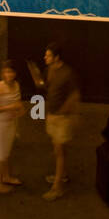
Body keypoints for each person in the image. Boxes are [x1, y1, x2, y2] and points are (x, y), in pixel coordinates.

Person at [38, 42, 80, 201]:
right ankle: (61, 175)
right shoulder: (49, 70)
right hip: (52, 114)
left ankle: (57, 187)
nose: (45, 57)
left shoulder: (68, 73)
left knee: (59, 150)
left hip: (62, 118)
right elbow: (48, 89)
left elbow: (75, 96)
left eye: (48, 55)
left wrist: (64, 112)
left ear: (57, 57)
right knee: (58, 150)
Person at [0, 61, 25, 194]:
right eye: (6, 72)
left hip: (11, 123)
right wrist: (12, 107)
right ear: (2, 73)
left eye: (11, 72)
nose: (9, 75)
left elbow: (19, 103)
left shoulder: (16, 85)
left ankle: (6, 176)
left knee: (7, 152)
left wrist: (19, 111)